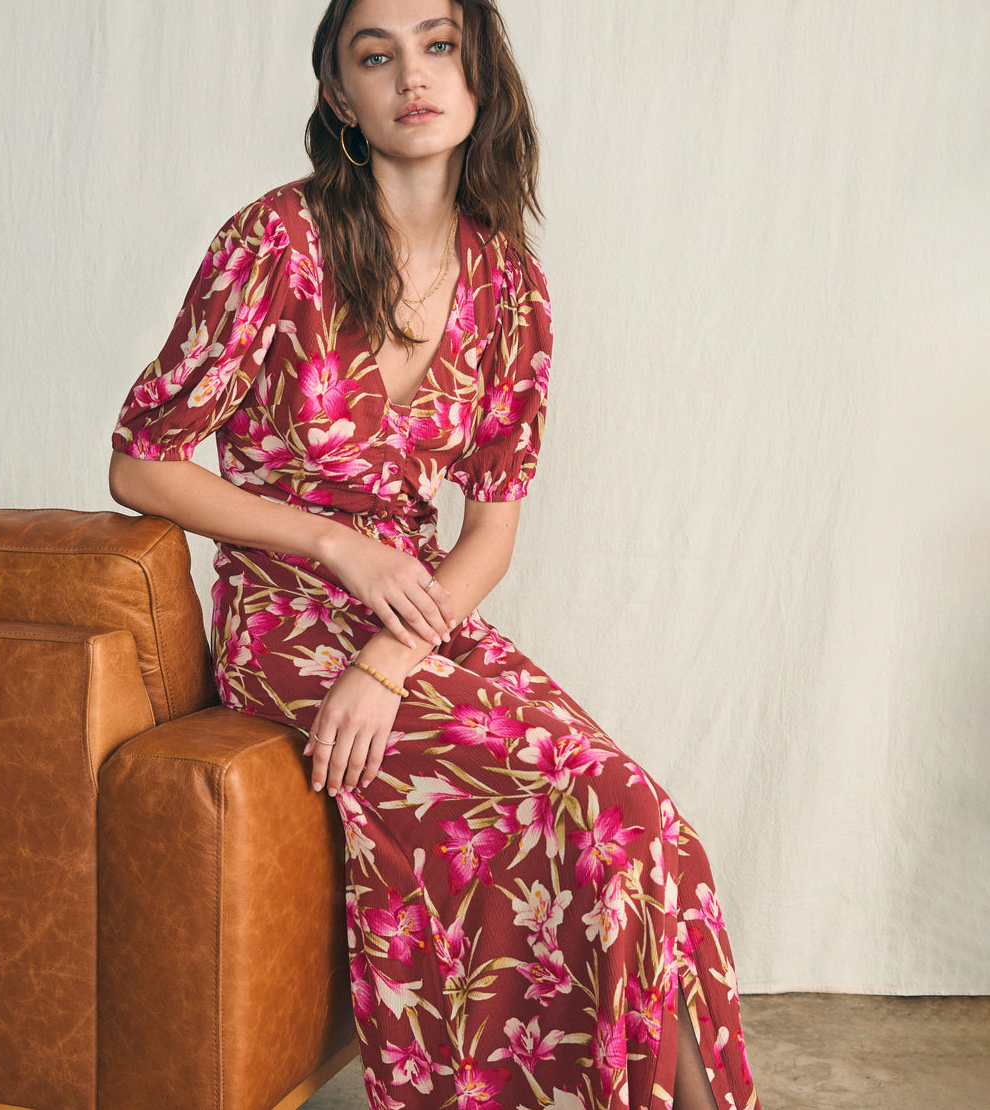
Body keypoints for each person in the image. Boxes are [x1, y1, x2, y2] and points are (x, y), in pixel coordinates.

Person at [109, 2, 761, 1107]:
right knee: (578, 802)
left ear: (477, 72)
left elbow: (490, 534)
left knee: (636, 815)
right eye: (377, 54)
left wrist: (388, 662)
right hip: (289, 620)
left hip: (412, 626)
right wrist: (334, 545)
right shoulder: (274, 244)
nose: (412, 73)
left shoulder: (512, 289)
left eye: (437, 43)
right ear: (341, 97)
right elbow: (141, 461)